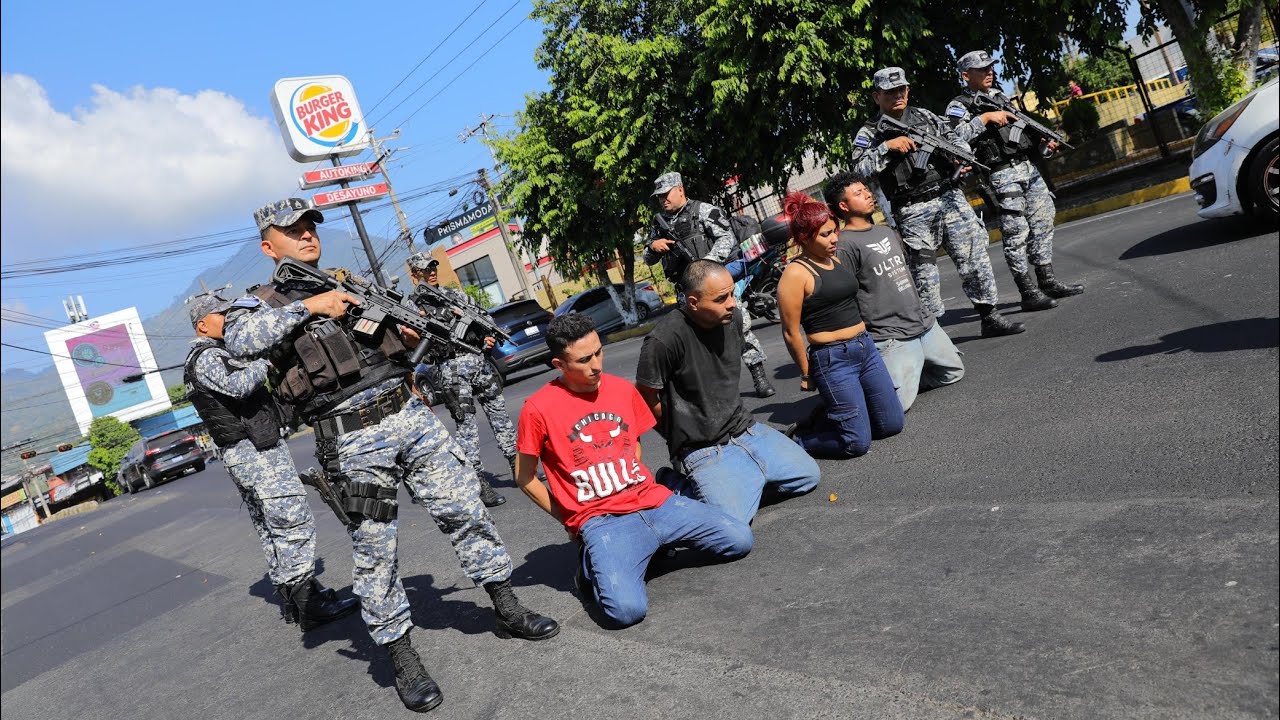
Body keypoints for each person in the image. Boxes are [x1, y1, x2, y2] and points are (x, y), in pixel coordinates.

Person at [223, 198, 558, 714]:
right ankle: (403, 659)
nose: (308, 235)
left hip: (408, 413)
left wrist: (399, 334)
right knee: (376, 550)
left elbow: (395, 345)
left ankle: (507, 607)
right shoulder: (257, 304)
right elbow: (240, 342)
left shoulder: (349, 283)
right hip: (350, 437)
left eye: (311, 226)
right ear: (269, 247)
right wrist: (310, 307)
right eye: (293, 231)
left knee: (464, 510)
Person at [513, 312, 753, 627]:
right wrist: (571, 521)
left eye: (598, 351)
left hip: (654, 501)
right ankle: (592, 562)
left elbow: (633, 442)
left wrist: (635, 476)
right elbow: (524, 477)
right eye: (584, 360)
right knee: (626, 612)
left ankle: (651, 543)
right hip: (603, 522)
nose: (596, 364)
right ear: (560, 365)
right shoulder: (538, 408)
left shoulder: (621, 389)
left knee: (739, 540)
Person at [184, 293, 359, 629]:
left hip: (248, 452)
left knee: (272, 528)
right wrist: (263, 361)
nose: (229, 319)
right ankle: (309, 604)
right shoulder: (206, 356)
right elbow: (238, 386)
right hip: (255, 454)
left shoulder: (208, 356)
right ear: (203, 325)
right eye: (222, 315)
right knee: (292, 521)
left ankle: (295, 595)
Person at [635, 260, 821, 523]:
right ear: (693, 302)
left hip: (745, 429)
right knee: (731, 520)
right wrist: (675, 432)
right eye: (721, 298)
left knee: (807, 477)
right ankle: (675, 484)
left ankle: (742, 483)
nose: (732, 303)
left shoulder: (732, 319)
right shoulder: (664, 339)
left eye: (732, 293)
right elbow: (644, 396)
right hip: (702, 447)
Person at [849, 67, 1026, 338]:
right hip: (912, 208)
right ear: (877, 96)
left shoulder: (926, 116)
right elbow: (858, 171)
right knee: (924, 274)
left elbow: (957, 140)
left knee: (974, 256)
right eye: (890, 92)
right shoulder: (869, 133)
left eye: (901, 89)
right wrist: (887, 147)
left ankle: (989, 316)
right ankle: (933, 335)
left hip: (949, 197)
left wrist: (958, 156)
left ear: (907, 90)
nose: (898, 95)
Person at [945, 50, 1086, 305]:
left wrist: (1045, 147)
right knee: (1016, 232)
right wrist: (985, 118)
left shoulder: (1000, 96)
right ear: (966, 75)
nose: (989, 72)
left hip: (1027, 168)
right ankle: (1027, 291)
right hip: (1001, 173)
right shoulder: (959, 105)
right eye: (982, 69)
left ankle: (1047, 279)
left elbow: (1022, 137)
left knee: (1043, 219)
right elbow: (955, 138)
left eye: (990, 67)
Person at [775, 192, 905, 458]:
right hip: (832, 359)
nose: (834, 239)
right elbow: (790, 331)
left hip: (865, 349)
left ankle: (832, 413)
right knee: (855, 444)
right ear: (804, 238)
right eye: (825, 234)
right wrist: (805, 372)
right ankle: (799, 441)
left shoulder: (835, 258)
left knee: (892, 425)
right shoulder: (796, 273)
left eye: (834, 231)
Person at [821, 173, 965, 411]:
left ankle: (901, 380)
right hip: (891, 336)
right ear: (843, 206)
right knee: (897, 406)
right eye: (858, 193)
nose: (868, 194)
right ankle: (854, 402)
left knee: (953, 372)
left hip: (924, 325)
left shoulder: (886, 232)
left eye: (866, 189)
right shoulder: (844, 245)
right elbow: (842, 296)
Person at [643, 172, 776, 398]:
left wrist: (706, 266)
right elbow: (648, 259)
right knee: (696, 338)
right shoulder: (660, 225)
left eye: (666, 194)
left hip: (715, 284)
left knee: (738, 326)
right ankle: (712, 389)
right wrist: (653, 247)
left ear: (680, 189)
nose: (663, 200)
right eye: (659, 197)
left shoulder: (703, 211)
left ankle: (759, 376)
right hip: (687, 290)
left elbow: (726, 238)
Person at [405, 252, 512, 507]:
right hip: (450, 368)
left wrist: (488, 337)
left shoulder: (456, 295)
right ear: (414, 274)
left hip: (478, 361)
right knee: (467, 428)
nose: (431, 271)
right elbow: (411, 338)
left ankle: (517, 463)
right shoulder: (412, 305)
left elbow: (484, 317)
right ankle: (478, 484)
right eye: (424, 269)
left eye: (433, 266)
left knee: (500, 415)